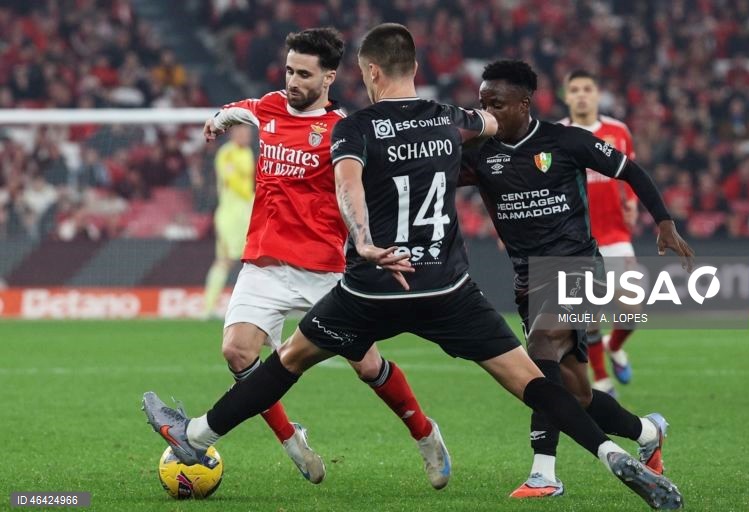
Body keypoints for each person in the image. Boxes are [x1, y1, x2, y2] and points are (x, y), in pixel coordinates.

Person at [143, 24, 683, 509]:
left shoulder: (354, 129)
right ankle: (611, 453)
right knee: (531, 381)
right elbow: (498, 121)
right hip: (447, 287)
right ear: (415, 70)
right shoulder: (451, 120)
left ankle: (196, 435)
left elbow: (347, 184)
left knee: (288, 360)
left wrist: (365, 241)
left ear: (370, 72)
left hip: (373, 287)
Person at [148, 27, 450, 489]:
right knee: (237, 351)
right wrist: (217, 120)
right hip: (265, 264)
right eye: (289, 70)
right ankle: (293, 441)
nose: (293, 80)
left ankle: (426, 435)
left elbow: (363, 192)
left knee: (368, 364)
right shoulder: (269, 107)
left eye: (304, 74)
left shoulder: (342, 130)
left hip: (325, 271)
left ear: (328, 77)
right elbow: (238, 110)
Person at [459, 59, 694, 499]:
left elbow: (631, 171)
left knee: (540, 350)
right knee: (577, 394)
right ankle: (646, 432)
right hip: (528, 279)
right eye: (482, 103)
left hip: (579, 267)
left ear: (524, 104)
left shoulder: (565, 141)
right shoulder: (480, 154)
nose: (487, 111)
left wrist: (663, 222)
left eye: (497, 103)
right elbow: (429, 178)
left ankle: (543, 474)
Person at [560, 69, 640, 394]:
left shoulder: (618, 131)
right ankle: (602, 378)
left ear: (597, 94)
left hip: (616, 234)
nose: (581, 94)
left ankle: (614, 345)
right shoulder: (556, 134)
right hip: (576, 239)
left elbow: (630, 172)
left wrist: (632, 201)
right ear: (567, 96)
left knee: (633, 310)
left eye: (587, 89)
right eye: (575, 89)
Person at [203, 124, 254, 318]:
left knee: (255, 260)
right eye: (242, 132)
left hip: (247, 214)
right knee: (225, 260)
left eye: (248, 133)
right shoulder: (227, 153)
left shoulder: (247, 152)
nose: (246, 136)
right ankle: (207, 308)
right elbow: (232, 181)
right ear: (233, 133)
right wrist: (253, 198)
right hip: (231, 216)